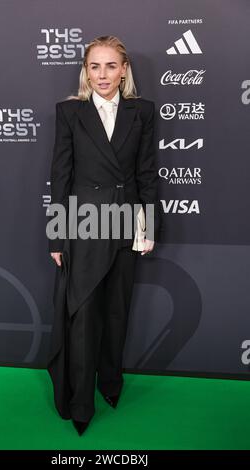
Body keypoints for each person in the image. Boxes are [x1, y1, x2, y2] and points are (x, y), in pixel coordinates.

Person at [46, 35, 161, 436]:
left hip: (126, 224)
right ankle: (80, 403)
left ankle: (110, 384)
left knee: (116, 311)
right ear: (85, 70)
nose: (102, 75)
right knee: (82, 316)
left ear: (124, 69)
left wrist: (145, 229)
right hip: (84, 225)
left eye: (111, 66)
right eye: (94, 66)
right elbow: (60, 175)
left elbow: (146, 173)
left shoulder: (142, 112)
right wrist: (56, 237)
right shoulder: (69, 113)